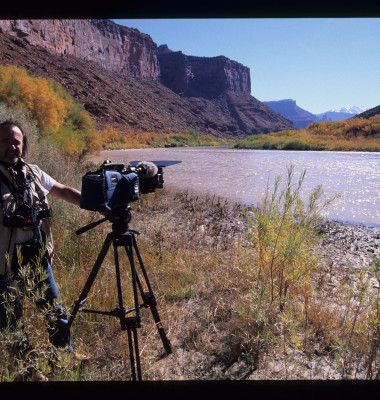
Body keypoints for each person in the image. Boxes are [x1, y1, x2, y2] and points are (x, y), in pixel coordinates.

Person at [0, 119, 82, 380]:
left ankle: (63, 356)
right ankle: (30, 373)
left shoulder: (33, 172)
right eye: (5, 141)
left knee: (56, 313)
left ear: (23, 145)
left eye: (16, 141)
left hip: (36, 258)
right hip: (5, 264)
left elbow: (64, 191)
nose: (12, 146)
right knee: (11, 322)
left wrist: (97, 202)